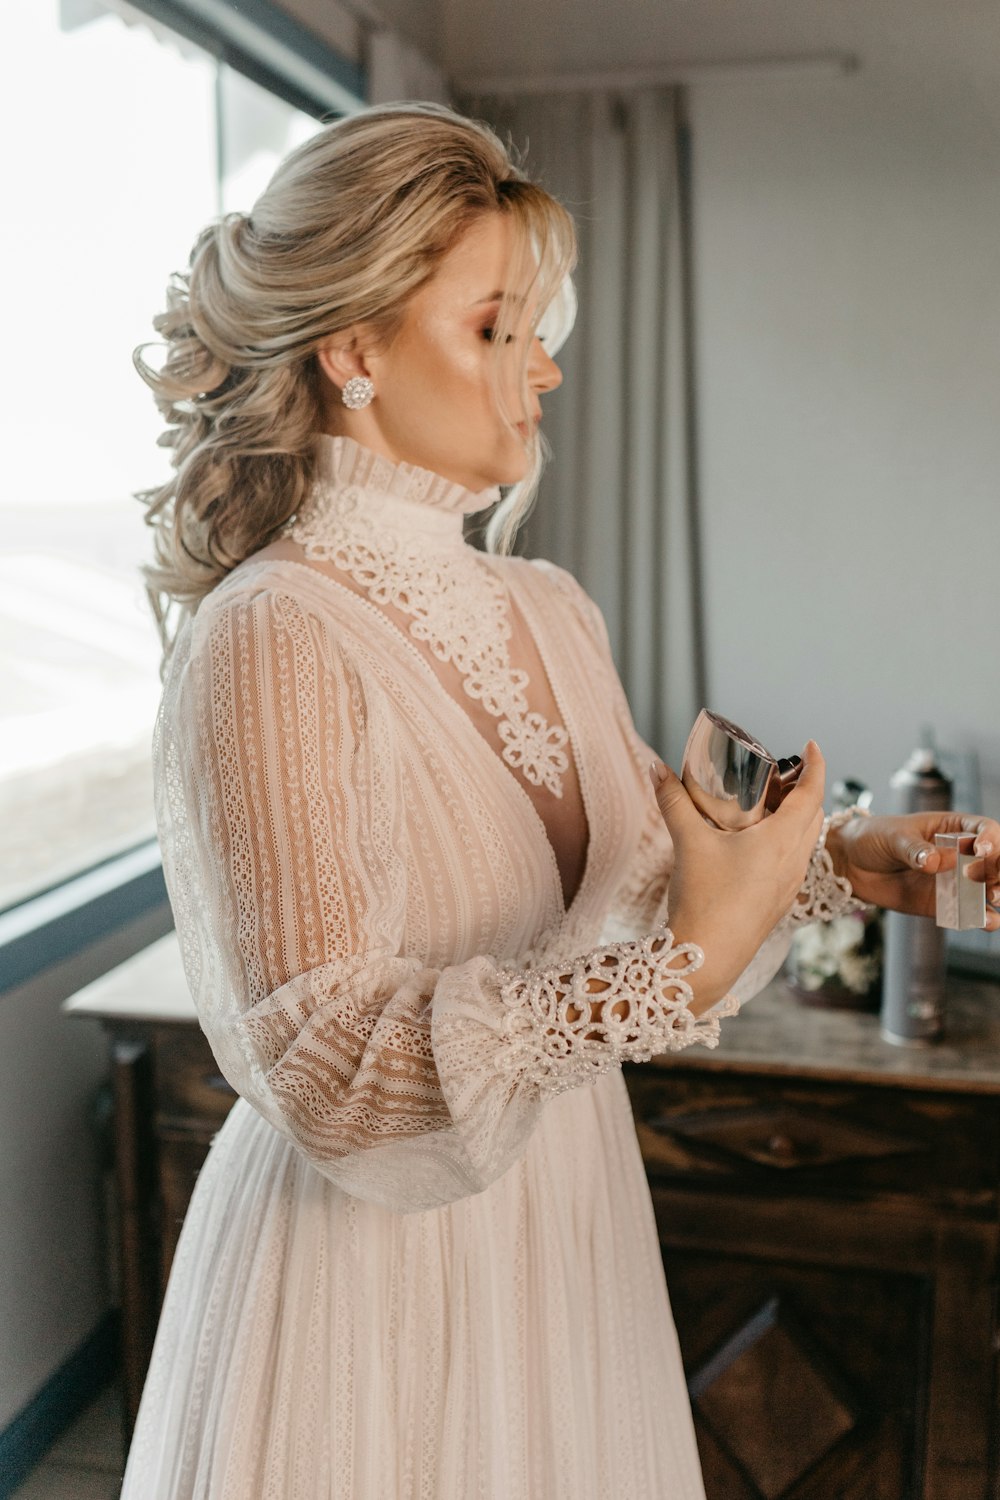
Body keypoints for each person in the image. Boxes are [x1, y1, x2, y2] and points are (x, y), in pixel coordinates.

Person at [122, 102, 1000, 1500]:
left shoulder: (547, 605)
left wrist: (861, 865)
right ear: (351, 349)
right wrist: (688, 971)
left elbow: (646, 870)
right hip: (370, 1277)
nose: (546, 367)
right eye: (494, 327)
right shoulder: (271, 634)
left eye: (541, 326)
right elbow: (335, 1072)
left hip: (564, 1221)